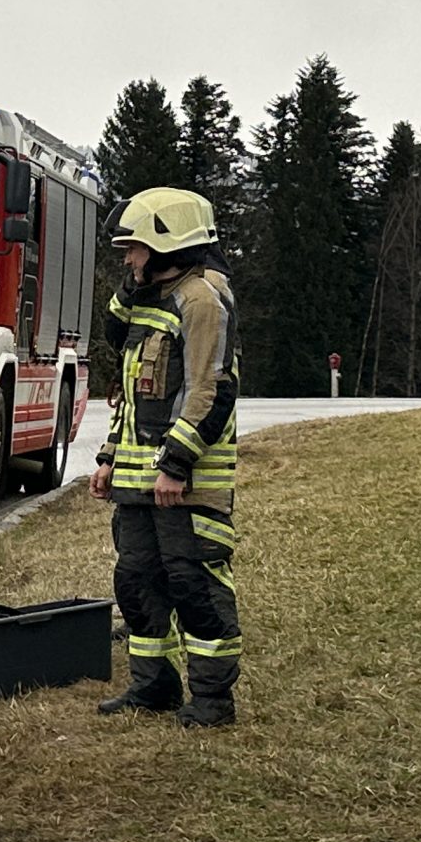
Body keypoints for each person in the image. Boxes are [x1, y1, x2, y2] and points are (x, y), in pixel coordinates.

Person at [91, 187, 242, 727]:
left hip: (185, 483)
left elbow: (210, 389)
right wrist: (110, 456)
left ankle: (211, 702)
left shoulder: (201, 299)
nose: (128, 258)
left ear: (166, 243)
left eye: (134, 249)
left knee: (195, 585)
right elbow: (133, 393)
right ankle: (152, 686)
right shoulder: (150, 299)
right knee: (137, 583)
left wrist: (176, 464)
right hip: (138, 483)